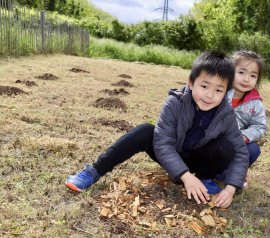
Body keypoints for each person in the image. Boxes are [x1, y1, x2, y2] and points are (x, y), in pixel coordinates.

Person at [65, 51, 250, 209]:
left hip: (200, 159)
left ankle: (204, 179)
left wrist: (231, 188)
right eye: (204, 86)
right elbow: (162, 143)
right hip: (172, 155)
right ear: (191, 83)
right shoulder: (174, 103)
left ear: (226, 93)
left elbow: (241, 152)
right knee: (144, 131)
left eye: (219, 90)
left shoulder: (226, 114)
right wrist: (185, 176)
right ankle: (93, 172)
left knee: (226, 146)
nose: (210, 95)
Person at [227, 50, 267, 188]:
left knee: (253, 149)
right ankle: (209, 171)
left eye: (253, 75)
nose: (246, 79)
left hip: (237, 141)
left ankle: (235, 172)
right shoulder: (219, 92)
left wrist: (244, 136)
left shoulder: (256, 103)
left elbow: (260, 127)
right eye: (241, 72)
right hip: (215, 139)